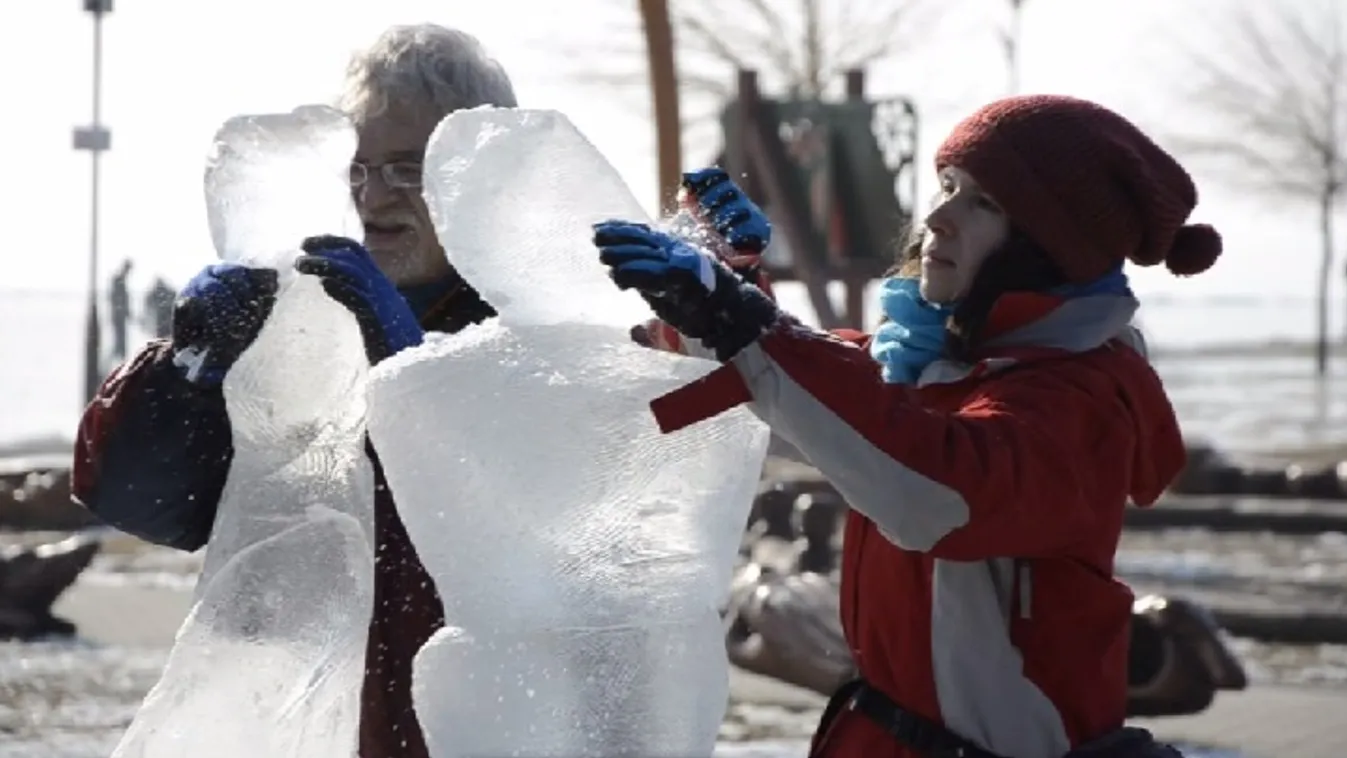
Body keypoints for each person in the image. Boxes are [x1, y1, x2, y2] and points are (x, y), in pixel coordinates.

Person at [594, 95, 1221, 758]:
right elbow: (821, 392)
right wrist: (725, 298)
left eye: (984, 203)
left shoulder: (1079, 402)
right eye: (947, 187)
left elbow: (934, 494)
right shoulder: (937, 362)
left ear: (1049, 248)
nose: (937, 217)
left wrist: (740, 321)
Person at [70, 24, 514, 758]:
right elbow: (140, 503)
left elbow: (540, 529)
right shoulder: (294, 314)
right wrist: (186, 371)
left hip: (466, 724)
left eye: (407, 169)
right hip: (296, 716)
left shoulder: (529, 327)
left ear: (476, 175)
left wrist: (415, 368)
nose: (373, 196)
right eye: (356, 168)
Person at [108, 260, 133, 361]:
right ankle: (119, 360)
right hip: (118, 316)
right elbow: (116, 298)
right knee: (119, 340)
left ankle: (120, 359)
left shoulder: (120, 280)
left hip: (119, 315)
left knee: (120, 340)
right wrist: (122, 310)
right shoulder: (118, 280)